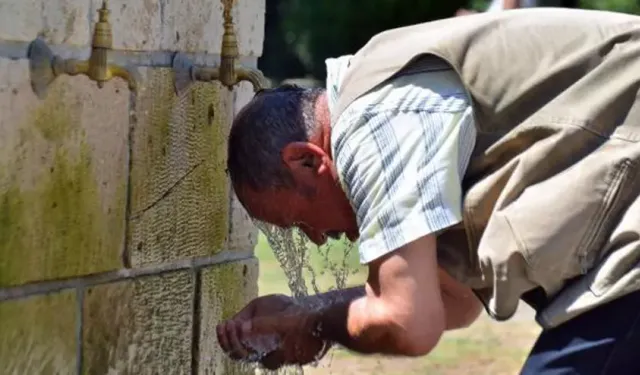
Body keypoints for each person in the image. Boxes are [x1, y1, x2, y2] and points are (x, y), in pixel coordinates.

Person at [218, 7, 640, 375]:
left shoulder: (375, 124)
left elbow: (409, 323)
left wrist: (307, 323)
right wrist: (303, 314)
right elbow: (450, 299)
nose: (313, 237)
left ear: (307, 160)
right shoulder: (380, 99)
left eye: (298, 220)